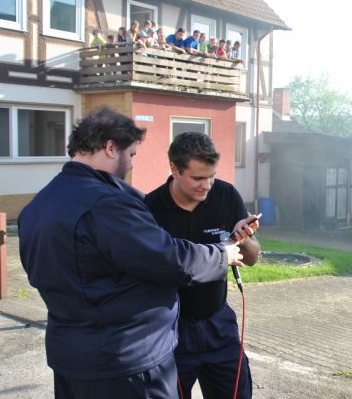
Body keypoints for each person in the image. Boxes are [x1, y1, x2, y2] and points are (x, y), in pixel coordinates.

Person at [18, 107, 243, 399]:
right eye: (132, 155)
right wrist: (222, 255)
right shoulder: (107, 203)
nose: (132, 165)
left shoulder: (38, 205)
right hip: (125, 364)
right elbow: (169, 259)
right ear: (111, 148)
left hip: (70, 359)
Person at [145, 132, 260, 399]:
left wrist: (245, 238)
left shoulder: (226, 195)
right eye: (197, 178)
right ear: (174, 169)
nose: (206, 185)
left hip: (218, 324)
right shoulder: (150, 208)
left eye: (211, 176)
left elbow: (252, 258)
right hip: (170, 331)